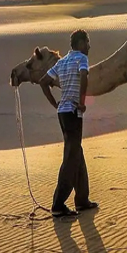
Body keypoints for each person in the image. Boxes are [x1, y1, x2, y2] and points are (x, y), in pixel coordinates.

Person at [39, 29, 98, 217]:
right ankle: (58, 204)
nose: (89, 46)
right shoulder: (81, 58)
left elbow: (43, 82)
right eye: (87, 42)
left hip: (63, 112)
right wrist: (82, 102)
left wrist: (54, 103)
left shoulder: (62, 61)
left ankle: (82, 199)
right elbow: (84, 76)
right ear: (80, 43)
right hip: (72, 112)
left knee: (76, 152)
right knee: (71, 157)